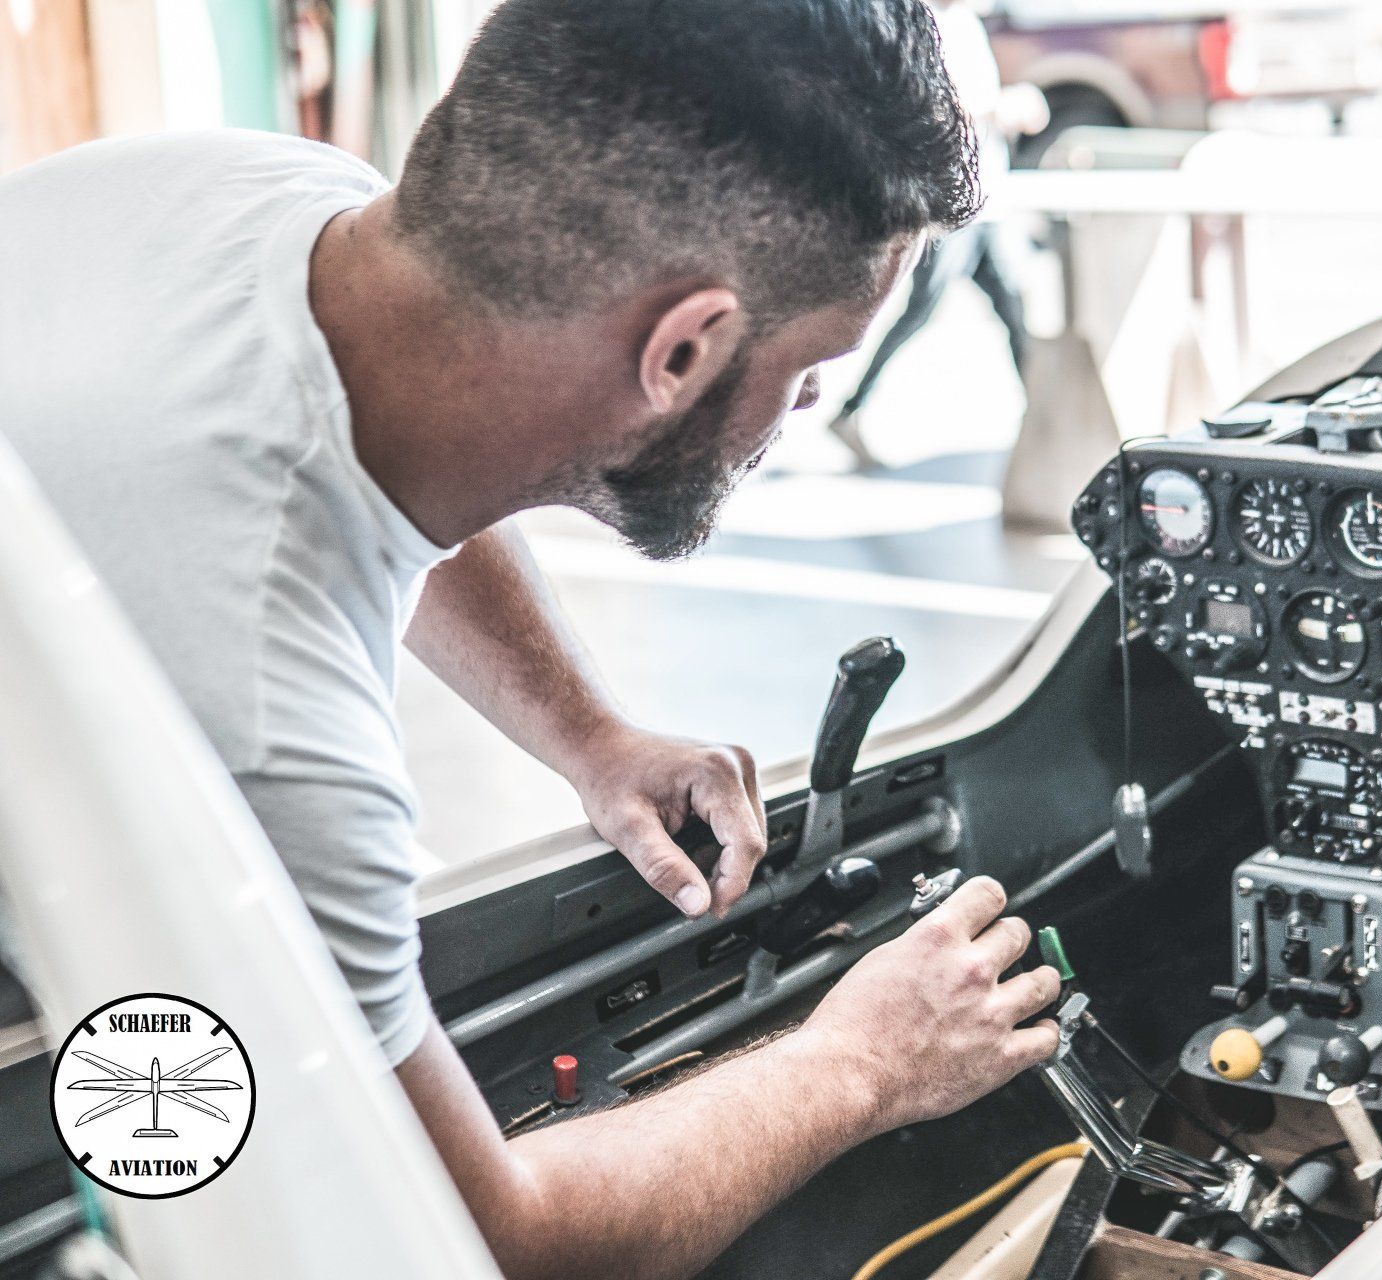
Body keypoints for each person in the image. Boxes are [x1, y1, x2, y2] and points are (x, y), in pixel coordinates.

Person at [0, 1, 1061, 1276]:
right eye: (815, 364)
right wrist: (860, 1062)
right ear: (683, 350)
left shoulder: (255, 196)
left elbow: (402, 473)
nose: (814, 402)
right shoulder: (263, 706)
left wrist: (589, 735)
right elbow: (476, 1237)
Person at [825, 0, 1047, 468]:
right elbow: (926, 110)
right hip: (952, 208)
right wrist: (999, 108)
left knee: (1014, 310)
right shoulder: (922, 23)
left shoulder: (969, 23)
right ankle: (851, 410)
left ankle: (1046, 423)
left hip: (991, 199)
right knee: (919, 313)